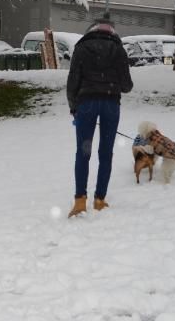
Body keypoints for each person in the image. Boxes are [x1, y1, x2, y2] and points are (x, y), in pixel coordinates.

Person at [65, 15, 133, 217]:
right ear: (112, 32)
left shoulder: (82, 48)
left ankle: (79, 201)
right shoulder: (119, 50)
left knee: (83, 153)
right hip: (111, 105)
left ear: (91, 30)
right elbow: (127, 86)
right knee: (106, 153)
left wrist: (73, 106)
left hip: (86, 104)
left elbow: (72, 82)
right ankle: (100, 200)